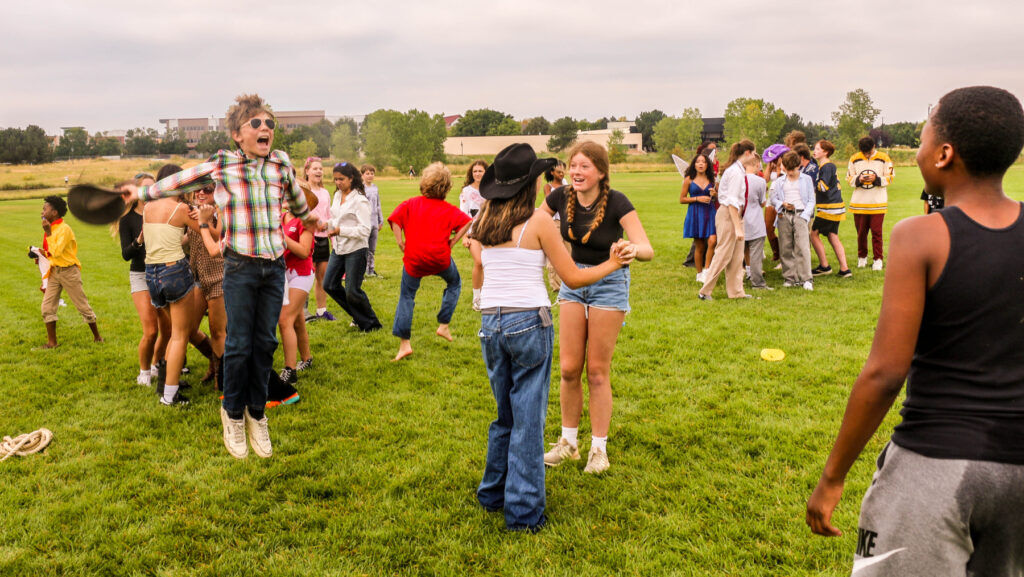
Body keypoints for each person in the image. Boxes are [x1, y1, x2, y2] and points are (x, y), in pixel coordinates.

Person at [806, 85, 1024, 576]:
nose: (920, 148)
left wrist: (832, 476)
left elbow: (885, 372)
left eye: (925, 137)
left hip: (937, 463)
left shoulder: (920, 235)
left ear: (945, 154)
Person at [127, 93, 319, 459]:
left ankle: (257, 414)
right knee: (238, 344)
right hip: (240, 267)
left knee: (265, 344)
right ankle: (232, 414)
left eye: (270, 125)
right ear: (237, 133)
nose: (266, 130)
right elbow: (172, 184)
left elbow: (297, 202)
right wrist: (137, 192)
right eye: (257, 124)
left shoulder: (280, 163)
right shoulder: (223, 164)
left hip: (274, 266)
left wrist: (309, 217)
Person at [471, 143, 634, 532]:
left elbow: (479, 258)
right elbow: (574, 277)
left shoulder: (485, 218)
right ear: (531, 184)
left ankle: (492, 493)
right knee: (527, 420)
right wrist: (612, 264)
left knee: (504, 416)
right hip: (528, 322)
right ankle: (524, 514)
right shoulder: (539, 222)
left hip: (490, 325)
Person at [540, 141, 654, 474]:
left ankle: (598, 450)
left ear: (601, 172)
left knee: (597, 371)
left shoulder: (618, 201)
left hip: (609, 285)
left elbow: (647, 248)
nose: (575, 172)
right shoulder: (560, 197)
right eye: (573, 165)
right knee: (568, 369)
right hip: (573, 283)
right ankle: (568, 443)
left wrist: (631, 248)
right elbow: (535, 223)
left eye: (584, 166)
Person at [388, 162, 473, 361]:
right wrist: (453, 241)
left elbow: (395, 220)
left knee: (407, 296)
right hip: (440, 258)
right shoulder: (449, 209)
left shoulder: (411, 203)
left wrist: (400, 242)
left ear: (424, 183)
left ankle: (404, 344)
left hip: (414, 259)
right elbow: (468, 222)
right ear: (447, 187)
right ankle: (443, 325)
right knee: (454, 283)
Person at [140, 170, 195, 406]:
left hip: (151, 275)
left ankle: (166, 383)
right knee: (179, 336)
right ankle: (169, 395)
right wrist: (207, 216)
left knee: (172, 334)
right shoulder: (182, 209)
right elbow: (210, 232)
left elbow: (167, 237)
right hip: (175, 271)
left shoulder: (147, 208)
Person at [39, 195, 103, 349]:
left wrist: (48, 233)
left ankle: (97, 337)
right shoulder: (51, 227)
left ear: (54, 212)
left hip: (69, 272)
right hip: (55, 271)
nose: (42, 211)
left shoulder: (64, 229)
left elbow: (57, 251)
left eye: (45, 208)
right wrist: (38, 253)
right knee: (47, 308)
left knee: (82, 305)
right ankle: (52, 343)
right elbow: (50, 252)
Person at [116, 174, 163, 385]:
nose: (149, 192)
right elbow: (126, 254)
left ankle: (156, 365)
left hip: (164, 273)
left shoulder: (163, 212)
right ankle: (144, 372)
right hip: (141, 275)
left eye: (153, 188)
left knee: (168, 330)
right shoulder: (127, 220)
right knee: (151, 330)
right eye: (145, 188)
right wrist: (140, 240)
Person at [324, 162, 381, 332]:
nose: (338, 183)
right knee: (329, 284)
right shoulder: (337, 196)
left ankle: (372, 324)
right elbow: (336, 219)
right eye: (335, 179)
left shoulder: (360, 200)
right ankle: (358, 316)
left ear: (351, 178)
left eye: (341, 179)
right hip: (339, 248)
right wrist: (325, 225)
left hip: (356, 250)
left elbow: (364, 230)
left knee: (352, 291)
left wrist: (340, 230)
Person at [698, 140, 756, 300]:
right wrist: (737, 227)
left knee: (737, 258)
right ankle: (704, 291)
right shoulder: (735, 173)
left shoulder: (738, 170)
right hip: (729, 215)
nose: (755, 157)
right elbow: (731, 202)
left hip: (736, 215)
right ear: (747, 153)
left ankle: (736, 292)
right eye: (753, 153)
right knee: (723, 254)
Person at [186, 182, 227, 387]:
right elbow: (187, 239)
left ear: (217, 192)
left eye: (208, 190)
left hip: (220, 277)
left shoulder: (223, 212)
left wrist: (204, 220)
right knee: (189, 329)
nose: (201, 193)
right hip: (198, 277)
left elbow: (220, 238)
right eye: (198, 189)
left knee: (217, 330)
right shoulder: (192, 211)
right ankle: (213, 359)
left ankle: (222, 377)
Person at [275, 193, 315, 397]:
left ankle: (289, 371)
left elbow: (303, 251)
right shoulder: (280, 218)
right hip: (283, 273)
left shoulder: (305, 221)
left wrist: (281, 238)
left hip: (301, 273)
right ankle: (307, 359)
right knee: (297, 320)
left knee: (285, 320)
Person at [769, 151, 816, 290]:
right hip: (784, 215)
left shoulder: (806, 179)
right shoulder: (779, 181)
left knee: (802, 247)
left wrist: (805, 216)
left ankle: (806, 278)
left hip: (800, 214)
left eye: (792, 169)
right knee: (786, 247)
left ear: (798, 166)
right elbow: (773, 198)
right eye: (787, 169)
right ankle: (790, 277)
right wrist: (782, 204)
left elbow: (811, 200)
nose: (790, 173)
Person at [847, 136, 894, 270]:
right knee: (861, 233)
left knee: (877, 233)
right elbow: (849, 178)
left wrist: (877, 179)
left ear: (874, 147)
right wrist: (858, 179)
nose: (866, 155)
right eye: (864, 153)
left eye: (868, 152)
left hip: (878, 203)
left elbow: (890, 177)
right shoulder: (854, 158)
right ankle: (862, 257)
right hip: (859, 203)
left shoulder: (884, 158)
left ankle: (878, 259)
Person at [809, 140, 852, 278]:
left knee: (813, 234)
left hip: (829, 207)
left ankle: (824, 266)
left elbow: (823, 187)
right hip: (835, 207)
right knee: (832, 236)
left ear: (825, 152)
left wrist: (810, 180)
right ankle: (844, 269)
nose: (814, 151)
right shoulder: (826, 166)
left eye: (818, 149)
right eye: (814, 148)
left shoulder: (826, 166)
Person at [305, 157, 336, 321]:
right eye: (315, 168)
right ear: (307, 171)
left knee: (322, 278)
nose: (318, 171)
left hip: (324, 240)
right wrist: (315, 222)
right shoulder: (304, 191)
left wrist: (331, 234)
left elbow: (329, 215)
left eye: (320, 169)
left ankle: (321, 311)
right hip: (308, 238)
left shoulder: (325, 192)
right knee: (306, 277)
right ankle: (303, 311)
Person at [680, 152, 717, 283]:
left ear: (707, 165)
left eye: (704, 162)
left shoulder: (712, 179)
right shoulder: (688, 179)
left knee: (713, 240)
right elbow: (682, 199)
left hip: (710, 212)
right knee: (699, 246)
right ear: (694, 165)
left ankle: (707, 270)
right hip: (695, 213)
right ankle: (699, 273)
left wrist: (715, 194)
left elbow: (718, 198)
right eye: (698, 162)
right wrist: (697, 198)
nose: (701, 164)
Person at [740, 154, 770, 290]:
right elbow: (762, 202)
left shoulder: (738, 180)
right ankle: (757, 282)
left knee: (740, 252)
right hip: (756, 221)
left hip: (740, 220)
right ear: (756, 164)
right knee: (756, 254)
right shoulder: (760, 181)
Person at [762, 143, 790, 266]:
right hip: (771, 199)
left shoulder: (787, 166)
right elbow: (765, 180)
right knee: (768, 228)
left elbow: (781, 179)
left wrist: (779, 167)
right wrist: (769, 165)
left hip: (783, 199)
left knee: (783, 229)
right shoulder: (772, 165)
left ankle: (785, 256)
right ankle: (776, 252)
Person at [542, 160, 568, 291]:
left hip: (568, 221)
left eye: (563, 171)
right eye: (558, 172)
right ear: (552, 172)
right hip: (554, 223)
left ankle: (570, 280)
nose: (562, 174)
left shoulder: (567, 184)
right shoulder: (548, 187)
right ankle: (556, 286)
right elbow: (551, 202)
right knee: (554, 253)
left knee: (570, 252)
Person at [361, 164, 384, 277]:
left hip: (374, 222)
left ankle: (371, 270)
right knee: (364, 248)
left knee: (372, 248)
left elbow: (378, 205)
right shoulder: (360, 189)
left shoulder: (375, 188)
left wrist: (380, 220)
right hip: (365, 223)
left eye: (372, 173)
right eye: (367, 173)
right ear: (362, 175)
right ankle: (363, 270)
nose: (370, 176)